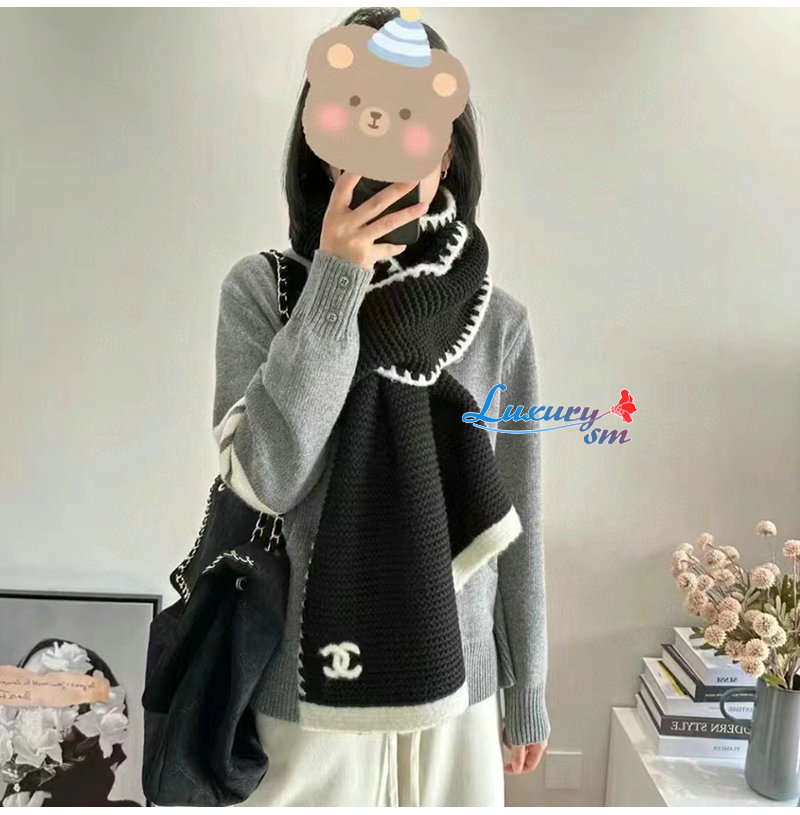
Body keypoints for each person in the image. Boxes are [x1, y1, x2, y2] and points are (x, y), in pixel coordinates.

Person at [213, 7, 550, 806]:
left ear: (447, 149)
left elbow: (520, 512)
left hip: (457, 692)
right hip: (306, 694)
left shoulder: (498, 322)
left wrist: (527, 685)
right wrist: (335, 284)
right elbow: (265, 479)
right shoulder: (264, 292)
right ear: (323, 142)